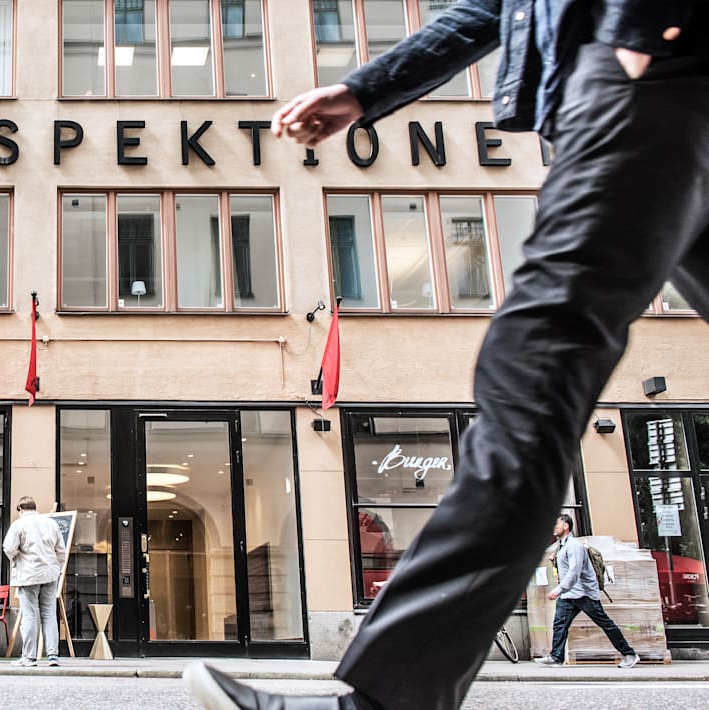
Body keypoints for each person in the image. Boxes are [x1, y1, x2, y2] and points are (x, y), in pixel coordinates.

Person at [185, 3, 707, 709]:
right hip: (647, 80)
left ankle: (387, 701)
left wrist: (638, 41)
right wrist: (364, 91)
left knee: (533, 370)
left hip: (647, 76)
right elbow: (488, 10)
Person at [534, 514, 638, 668]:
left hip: (584, 594)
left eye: (557, 524)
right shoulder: (562, 546)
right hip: (569, 594)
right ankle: (556, 657)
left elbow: (574, 572)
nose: (553, 527)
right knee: (560, 624)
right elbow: (566, 569)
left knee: (605, 624)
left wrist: (558, 589)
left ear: (566, 526)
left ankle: (629, 654)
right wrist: (556, 562)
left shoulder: (574, 546)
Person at [2, 496, 66, 668]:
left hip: (28, 574)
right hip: (50, 574)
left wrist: (17, 558)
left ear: (20, 509)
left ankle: (29, 657)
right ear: (34, 507)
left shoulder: (18, 524)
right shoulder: (51, 523)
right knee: (49, 614)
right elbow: (61, 551)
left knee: (29, 614)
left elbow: (8, 548)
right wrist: (56, 567)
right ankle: (53, 655)